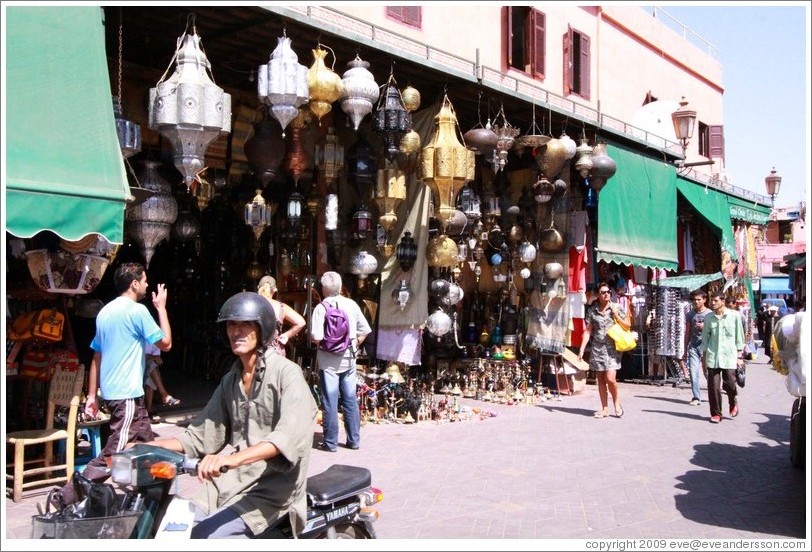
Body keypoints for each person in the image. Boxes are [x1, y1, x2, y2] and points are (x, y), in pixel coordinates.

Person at [140, 292, 318, 538]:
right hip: (232, 481)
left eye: (246, 324)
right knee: (171, 526)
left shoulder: (287, 373)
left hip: (272, 489)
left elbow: (287, 437)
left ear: (263, 328)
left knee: (207, 537)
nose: (237, 331)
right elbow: (200, 437)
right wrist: (149, 446)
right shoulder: (231, 380)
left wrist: (230, 460)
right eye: (232, 325)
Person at [50, 262, 172, 507]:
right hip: (127, 395)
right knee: (114, 452)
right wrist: (161, 308)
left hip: (118, 394)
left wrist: (93, 395)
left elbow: (97, 356)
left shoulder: (105, 312)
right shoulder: (137, 312)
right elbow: (166, 343)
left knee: (148, 444)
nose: (147, 285)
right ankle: (68, 495)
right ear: (134, 283)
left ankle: (155, 498)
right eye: (145, 280)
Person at [309, 271, 371, 451]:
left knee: (330, 400)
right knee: (350, 399)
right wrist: (353, 344)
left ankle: (330, 443)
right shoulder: (351, 304)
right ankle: (354, 440)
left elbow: (317, 337)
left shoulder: (321, 308)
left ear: (323, 288)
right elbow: (365, 330)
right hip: (349, 359)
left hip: (328, 360)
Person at [577, 282, 627, 419]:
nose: (606, 294)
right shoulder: (593, 311)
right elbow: (588, 331)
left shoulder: (616, 307)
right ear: (598, 295)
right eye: (603, 292)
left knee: (610, 378)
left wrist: (616, 315)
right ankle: (604, 408)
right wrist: (581, 349)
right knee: (600, 379)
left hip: (612, 349)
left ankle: (616, 403)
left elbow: (627, 325)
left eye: (608, 292)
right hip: (598, 348)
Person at [700, 291, 745, 423]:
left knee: (730, 384)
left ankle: (732, 401)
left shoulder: (735, 316)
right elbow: (705, 339)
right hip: (713, 356)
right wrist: (703, 358)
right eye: (711, 301)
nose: (712, 303)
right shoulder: (708, 318)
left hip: (729, 356)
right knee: (713, 386)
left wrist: (739, 356)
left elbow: (739, 337)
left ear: (722, 301)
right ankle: (716, 413)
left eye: (715, 301)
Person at [256, 275, 307, 357]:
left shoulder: (252, 305)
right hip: (275, 353)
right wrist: (287, 335)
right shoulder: (281, 307)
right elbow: (301, 322)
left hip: (255, 352)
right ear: (275, 290)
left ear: (258, 287)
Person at [682, 289, 710, 407]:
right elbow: (687, 332)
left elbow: (715, 331)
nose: (696, 302)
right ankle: (696, 397)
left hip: (707, 346)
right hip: (693, 346)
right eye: (694, 300)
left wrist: (705, 326)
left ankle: (713, 391)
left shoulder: (710, 314)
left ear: (704, 300)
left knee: (707, 371)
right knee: (693, 372)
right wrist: (684, 349)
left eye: (699, 300)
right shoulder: (690, 314)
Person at [143, 341, 180, 421]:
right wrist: (152, 357)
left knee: (151, 369)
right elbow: (138, 355)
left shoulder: (154, 340)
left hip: (147, 367)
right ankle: (164, 395)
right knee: (151, 365)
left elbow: (157, 358)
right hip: (135, 365)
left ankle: (149, 409)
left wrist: (151, 357)